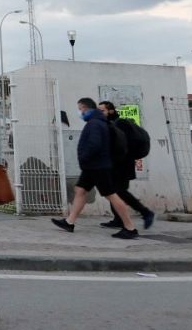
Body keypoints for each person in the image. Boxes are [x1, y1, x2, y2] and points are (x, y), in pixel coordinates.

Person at [53, 99, 138, 238]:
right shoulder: (98, 122)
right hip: (93, 166)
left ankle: (130, 228)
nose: (79, 112)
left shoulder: (94, 124)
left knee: (111, 195)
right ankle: (69, 222)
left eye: (80, 109)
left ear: (86, 108)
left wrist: (84, 157)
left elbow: (94, 144)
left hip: (98, 167)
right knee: (80, 190)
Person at [97, 102, 156, 231]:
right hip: (117, 164)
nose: (99, 113)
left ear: (111, 111)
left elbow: (120, 146)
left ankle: (146, 213)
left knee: (120, 192)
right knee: (113, 192)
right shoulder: (110, 125)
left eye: (102, 110)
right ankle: (118, 219)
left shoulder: (119, 124)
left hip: (122, 165)